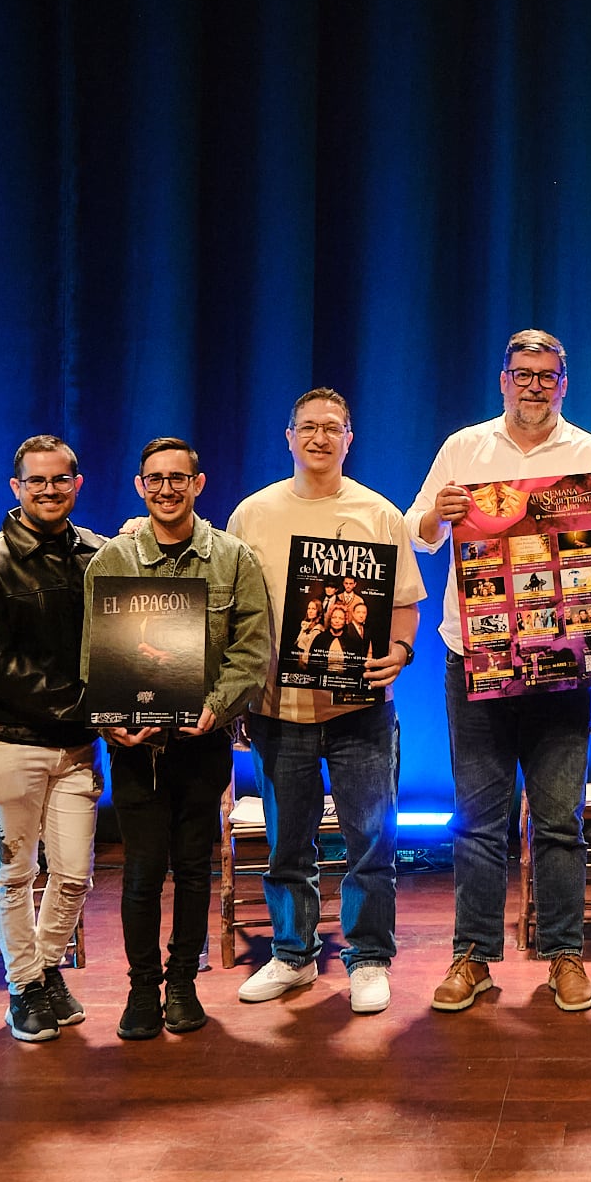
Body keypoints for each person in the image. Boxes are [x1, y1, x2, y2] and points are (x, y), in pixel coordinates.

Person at [408, 329, 591, 1014]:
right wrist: (436, 515)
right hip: (474, 658)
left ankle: (564, 954)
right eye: (523, 374)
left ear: (564, 383)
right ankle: (473, 956)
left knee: (561, 819)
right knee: (479, 820)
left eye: (547, 375)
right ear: (503, 379)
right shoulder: (463, 447)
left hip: (562, 663)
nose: (534, 385)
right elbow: (414, 532)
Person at [226, 389, 425, 1016]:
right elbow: (229, 610)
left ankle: (368, 957)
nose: (319, 438)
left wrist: (399, 652)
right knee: (288, 841)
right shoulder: (251, 514)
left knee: (370, 838)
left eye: (331, 428)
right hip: (276, 708)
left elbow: (403, 607)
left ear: (349, 439)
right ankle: (293, 954)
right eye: (307, 427)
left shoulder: (379, 514)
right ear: (288, 437)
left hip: (358, 709)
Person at [85, 437, 272, 1041]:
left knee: (194, 870)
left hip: (201, 742)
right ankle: (143, 990)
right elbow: (90, 658)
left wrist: (215, 710)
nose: (166, 488)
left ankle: (184, 984)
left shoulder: (233, 559)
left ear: (199, 483)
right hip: (135, 749)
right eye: (154, 479)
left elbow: (252, 651)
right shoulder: (110, 562)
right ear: (140, 486)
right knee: (141, 872)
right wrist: (109, 718)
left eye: (178, 478)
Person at [0, 435, 107, 1044]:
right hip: (10, 742)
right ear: (16, 488)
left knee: (74, 874)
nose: (49, 490)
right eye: (36, 482)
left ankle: (45, 971)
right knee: (14, 873)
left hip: (78, 747)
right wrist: (88, 705)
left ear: (77, 483)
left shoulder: (100, 554)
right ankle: (24, 987)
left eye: (60, 480)